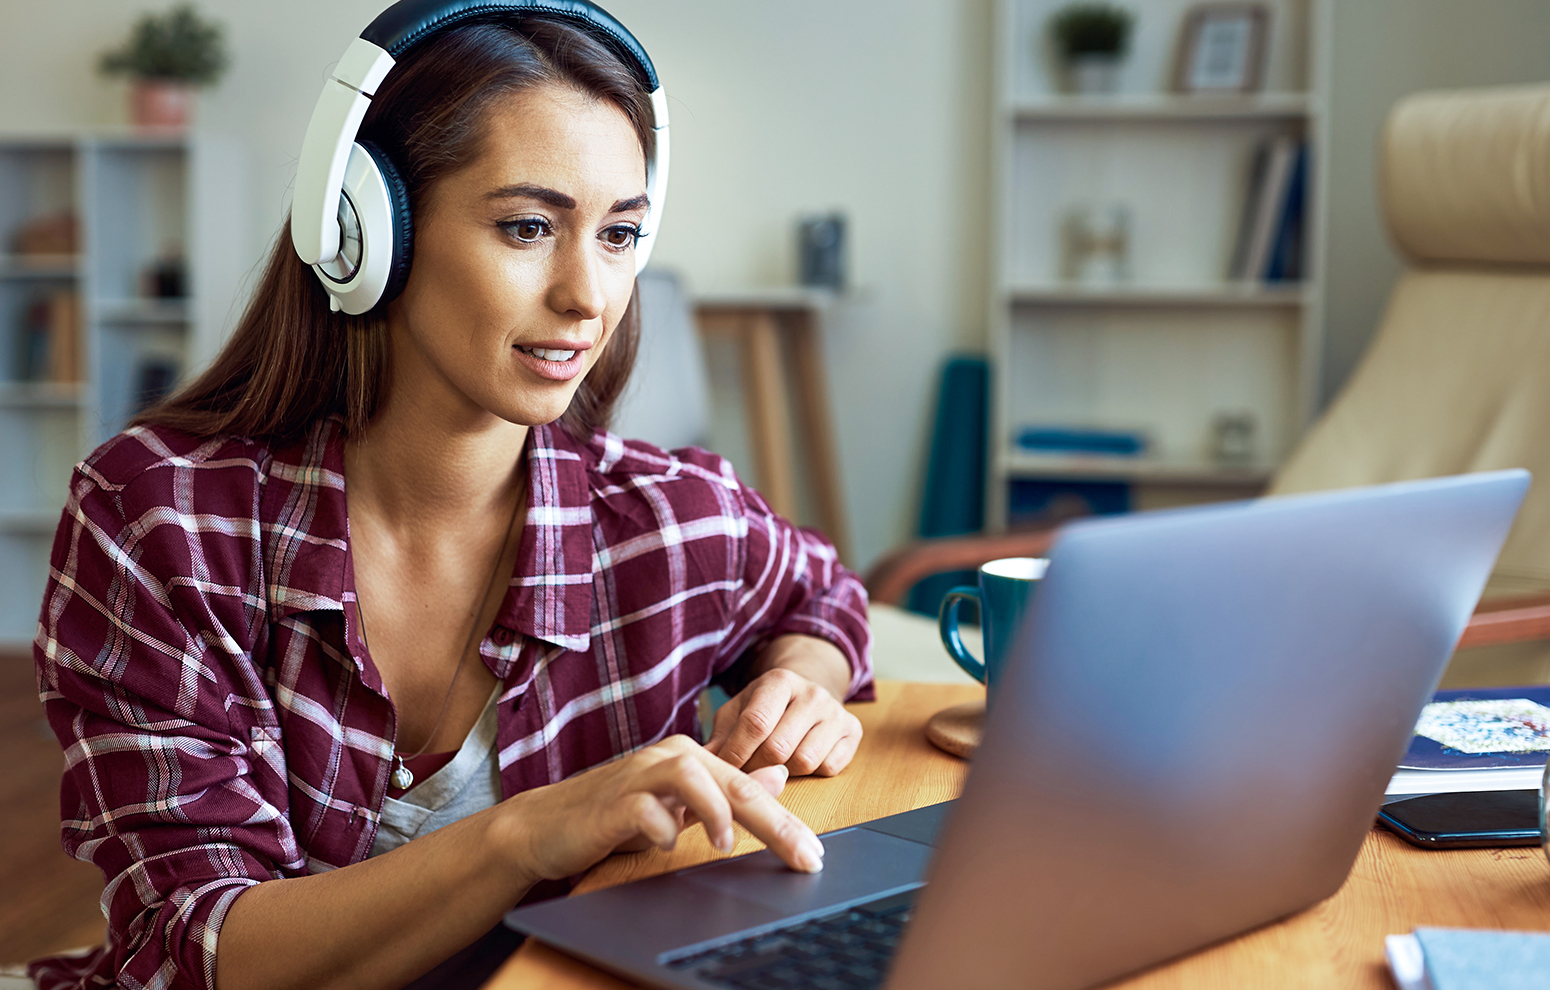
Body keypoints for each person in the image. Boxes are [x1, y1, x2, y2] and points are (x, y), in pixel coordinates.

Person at [29, 10, 872, 990]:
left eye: (619, 234)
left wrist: (799, 683)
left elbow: (821, 596)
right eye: (526, 226)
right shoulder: (161, 522)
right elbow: (195, 951)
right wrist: (522, 837)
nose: (587, 294)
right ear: (362, 227)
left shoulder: (668, 523)